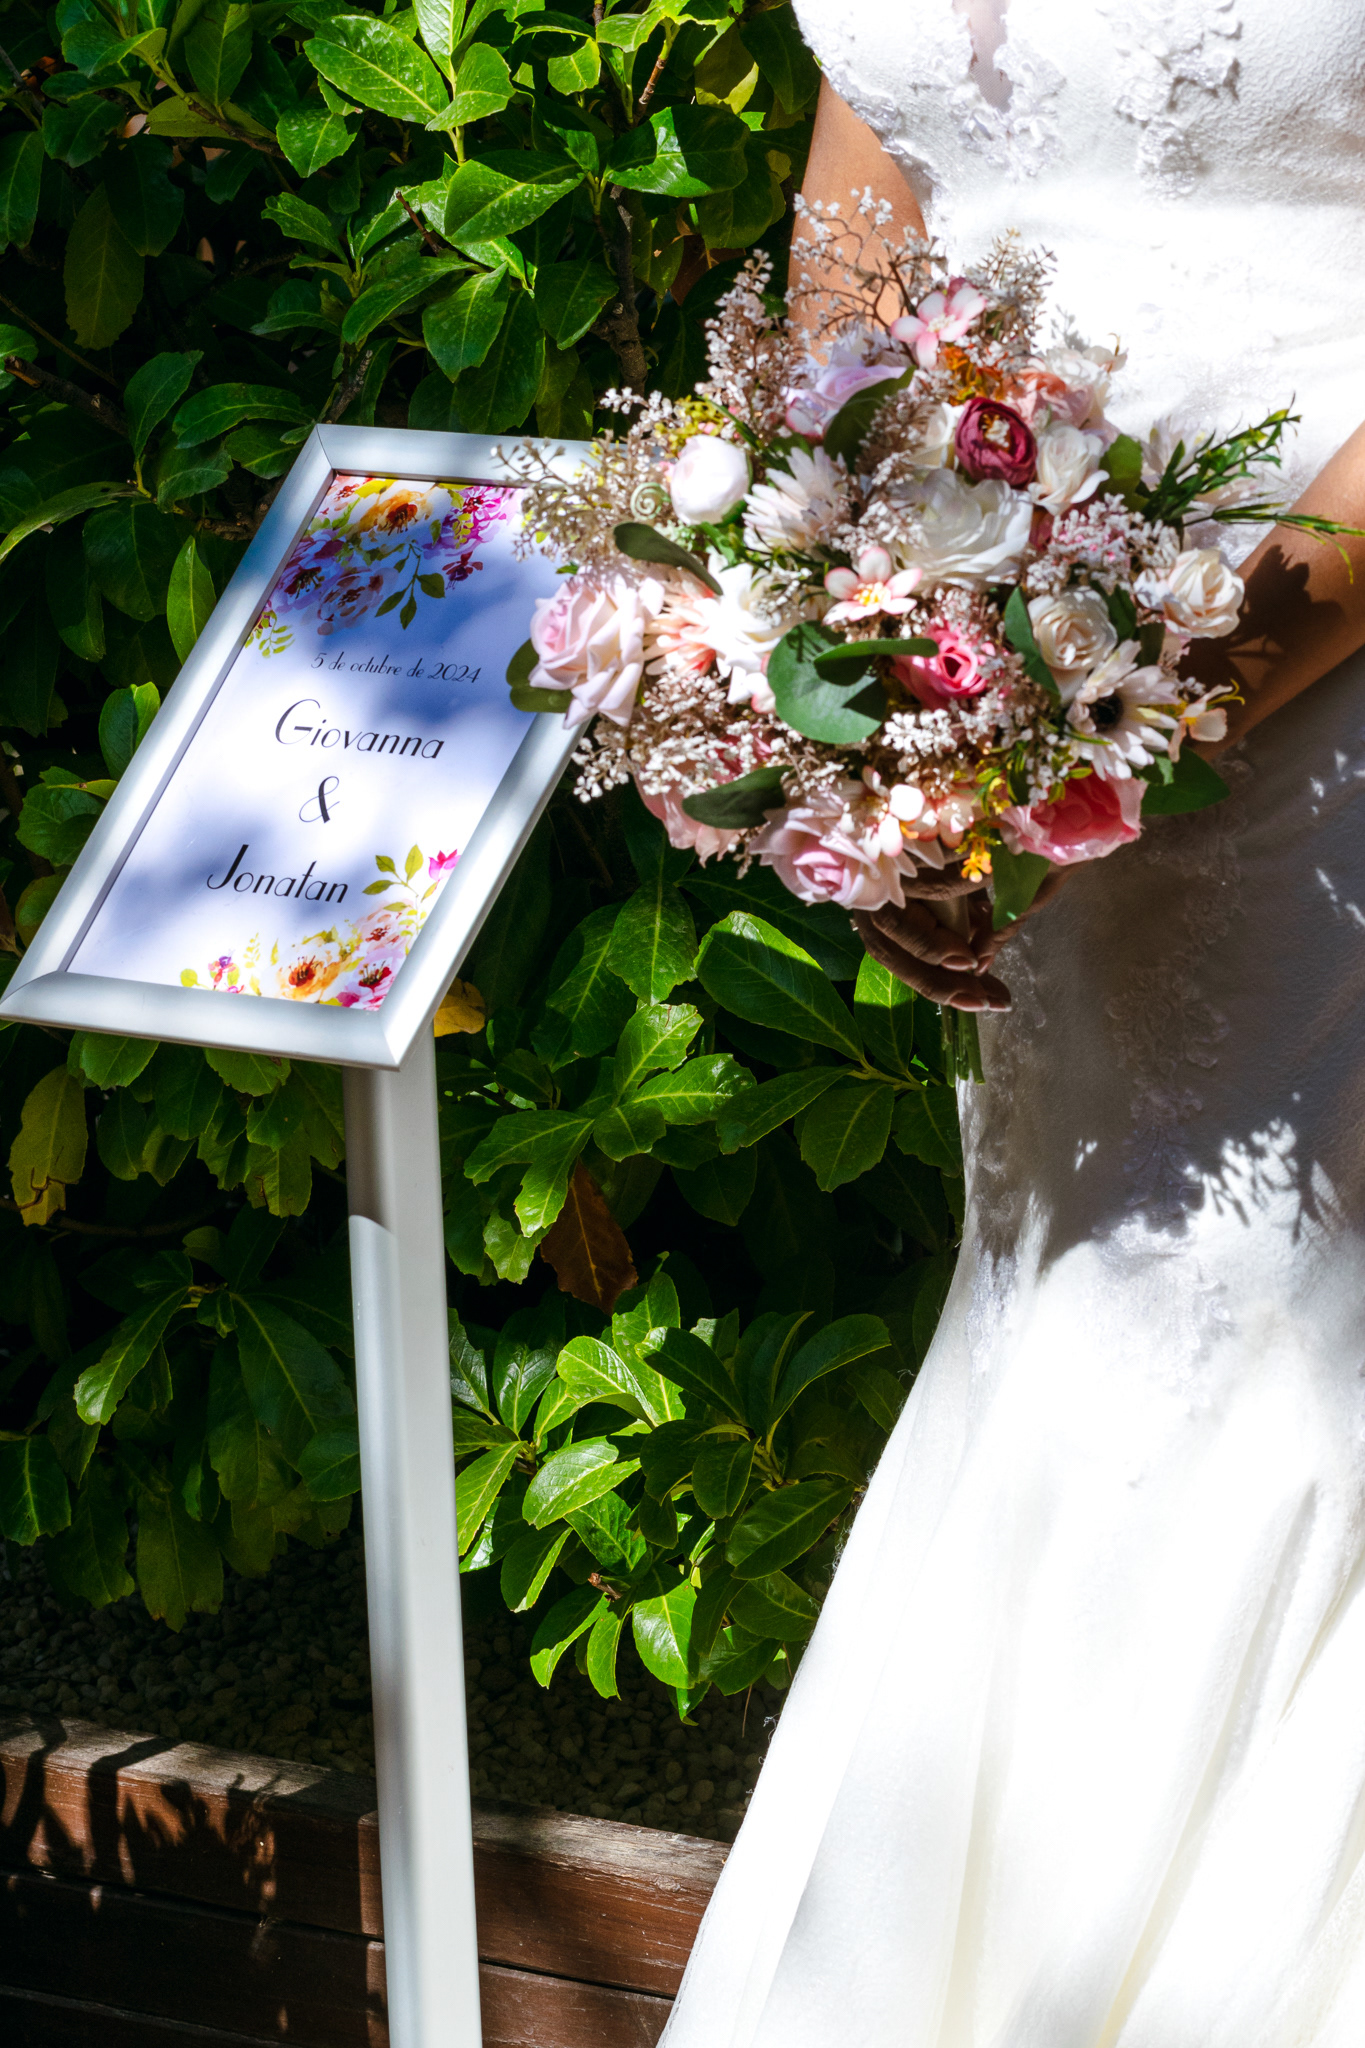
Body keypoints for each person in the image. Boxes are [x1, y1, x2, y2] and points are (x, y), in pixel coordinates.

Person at [660, 6, 1365, 2044]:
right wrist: (861, 688)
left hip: (1321, 695)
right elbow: (848, 264)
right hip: (1016, 678)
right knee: (1075, 1288)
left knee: (1268, 1321)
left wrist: (1139, 712)